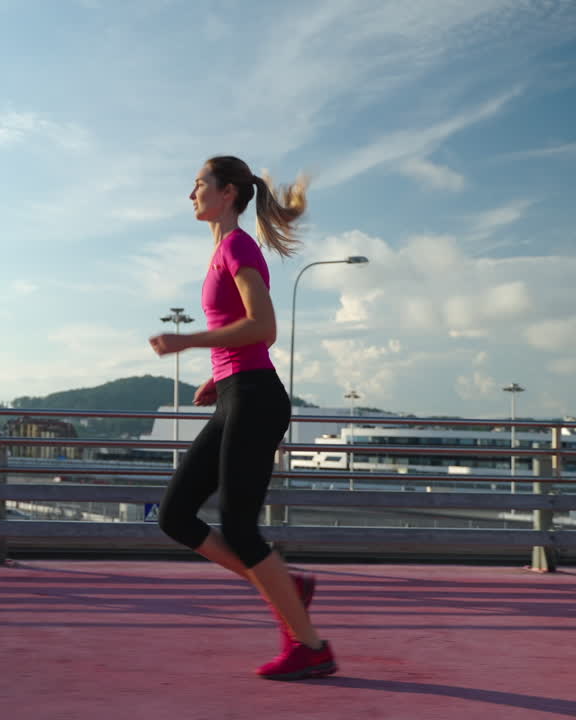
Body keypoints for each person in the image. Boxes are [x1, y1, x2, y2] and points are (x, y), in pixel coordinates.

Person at [148, 155, 335, 681]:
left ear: (227, 192)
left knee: (238, 526)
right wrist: (219, 372)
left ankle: (312, 647)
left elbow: (264, 326)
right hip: (236, 391)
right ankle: (284, 584)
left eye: (199, 184)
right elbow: (240, 333)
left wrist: (189, 341)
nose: (191, 194)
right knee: (176, 515)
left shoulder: (238, 246)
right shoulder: (220, 250)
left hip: (256, 397)